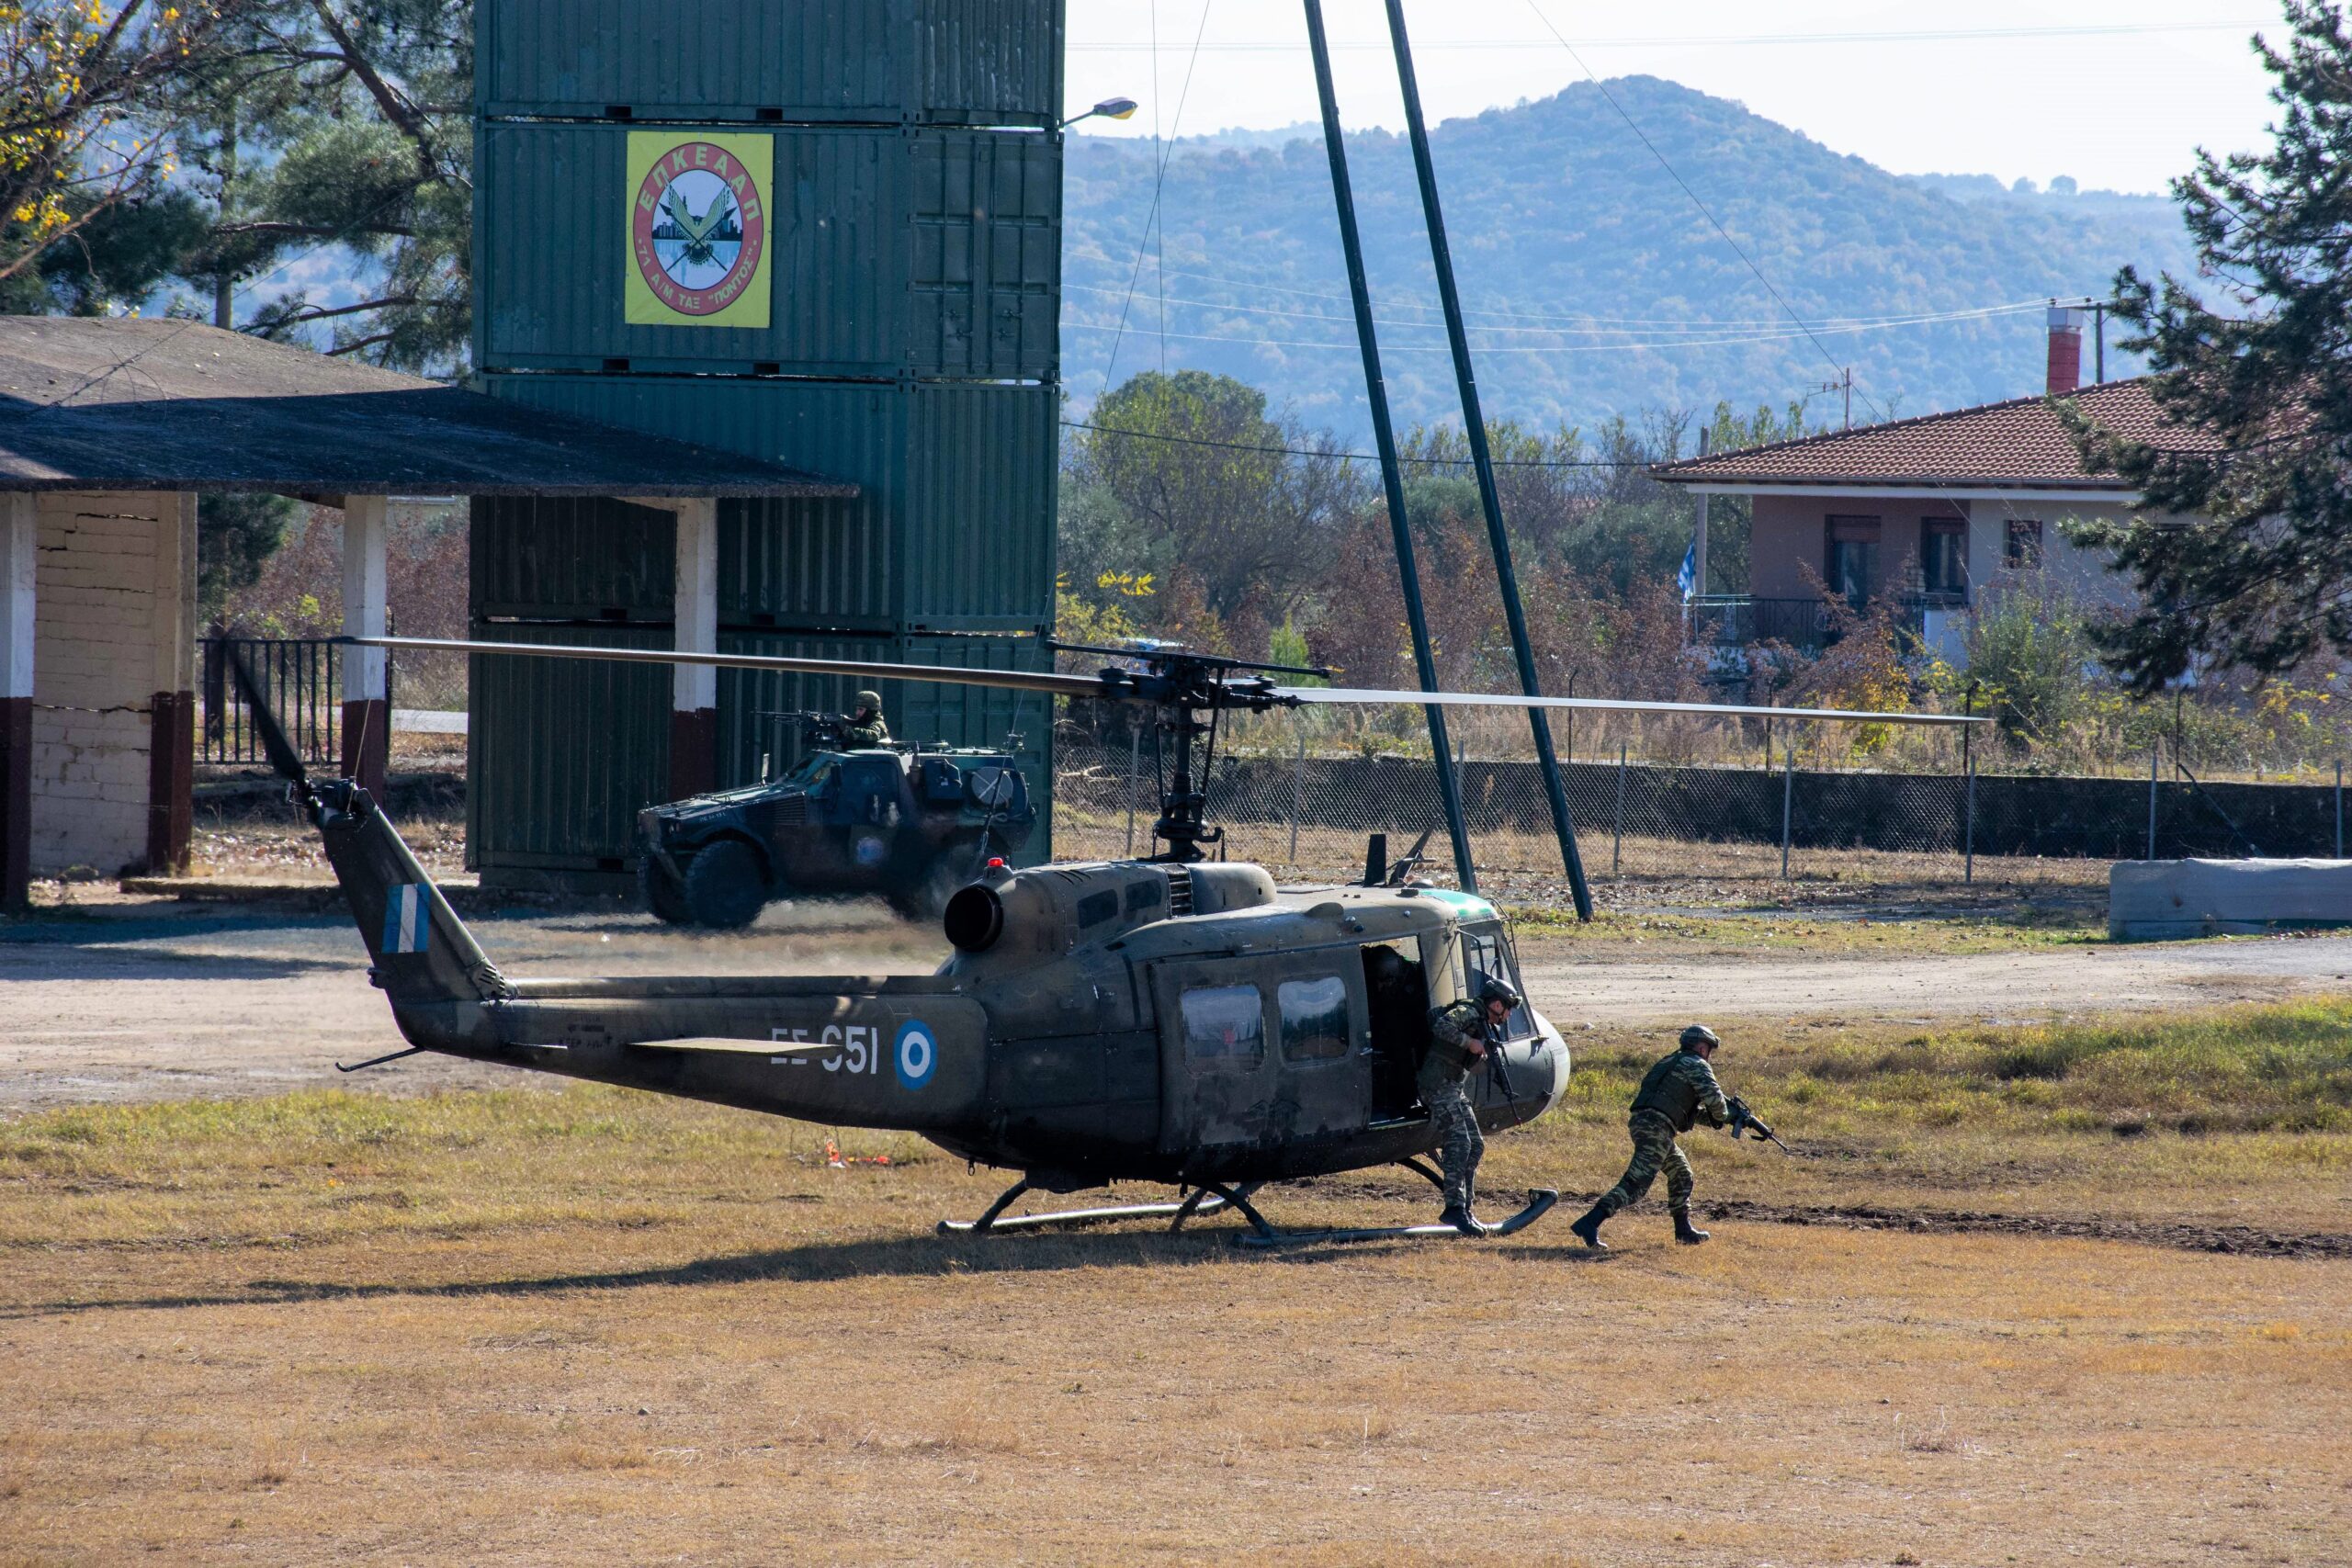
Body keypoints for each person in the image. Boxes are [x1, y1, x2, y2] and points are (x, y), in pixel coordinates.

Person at [1569, 1023, 1763, 1249]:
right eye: (1709, 1051)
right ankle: (1590, 1222)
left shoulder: (1669, 1062)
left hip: (1646, 1122)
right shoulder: (1698, 1065)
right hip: (1657, 1127)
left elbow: (1680, 1107)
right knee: (1636, 1183)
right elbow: (1717, 1106)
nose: (1709, 1056)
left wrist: (1719, 1119)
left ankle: (1683, 1231)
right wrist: (1732, 1117)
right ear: (1702, 1048)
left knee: (1681, 1173)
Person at [1420, 976, 1521, 1236]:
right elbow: (1443, 1026)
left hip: (1452, 1087)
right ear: (1497, 1004)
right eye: (1508, 1009)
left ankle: (1464, 1208)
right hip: (1437, 1085)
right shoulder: (1468, 1011)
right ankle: (1453, 1207)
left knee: (1475, 1145)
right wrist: (1470, 1043)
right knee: (1459, 1143)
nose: (1508, 1016)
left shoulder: (1483, 1022)